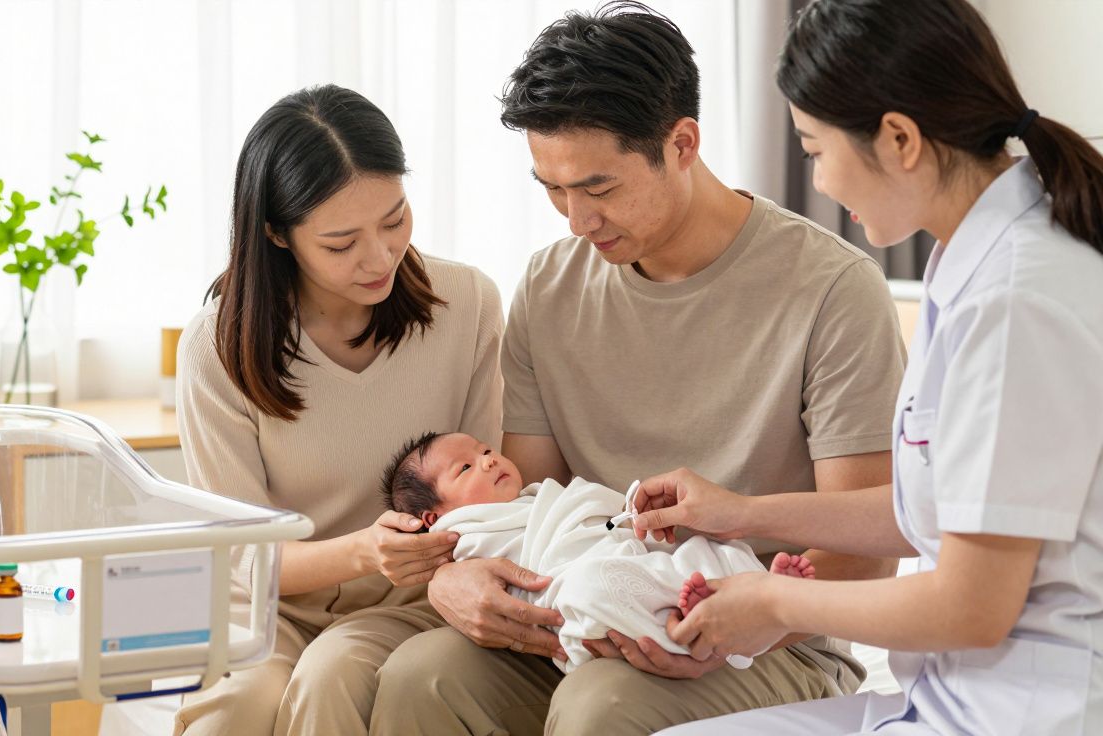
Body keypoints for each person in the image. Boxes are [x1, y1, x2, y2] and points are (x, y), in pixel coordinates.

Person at [370, 3, 907, 733]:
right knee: (419, 677)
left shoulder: (833, 290)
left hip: (768, 638)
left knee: (602, 707)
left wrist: (738, 622)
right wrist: (452, 576)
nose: (575, 220)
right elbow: (524, 502)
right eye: (552, 190)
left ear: (682, 143)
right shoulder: (550, 286)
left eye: (598, 188)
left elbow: (864, 554)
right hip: (581, 611)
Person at [637, 0, 1103, 733]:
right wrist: (739, 514)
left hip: (1024, 710)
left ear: (898, 139)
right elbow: (938, 507)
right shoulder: (973, 262)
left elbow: (972, 605)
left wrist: (773, 602)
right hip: (954, 696)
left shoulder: (1018, 301)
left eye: (816, 150)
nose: (818, 183)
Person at [173, 84, 504, 736]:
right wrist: (362, 552)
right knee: (235, 710)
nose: (380, 256)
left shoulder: (466, 305)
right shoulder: (218, 349)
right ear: (276, 233)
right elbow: (244, 560)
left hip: (420, 601)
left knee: (334, 679)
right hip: (271, 612)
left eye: (394, 219)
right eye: (340, 241)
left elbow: (489, 497)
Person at [380, 430, 816, 673]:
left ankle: (752, 591)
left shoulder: (539, 496)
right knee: (589, 590)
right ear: (435, 517)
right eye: (466, 468)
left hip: (630, 559)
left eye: (486, 450)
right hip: (573, 585)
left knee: (701, 547)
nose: (490, 461)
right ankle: (693, 617)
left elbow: (591, 515)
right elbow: (515, 580)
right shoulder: (466, 536)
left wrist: (621, 512)